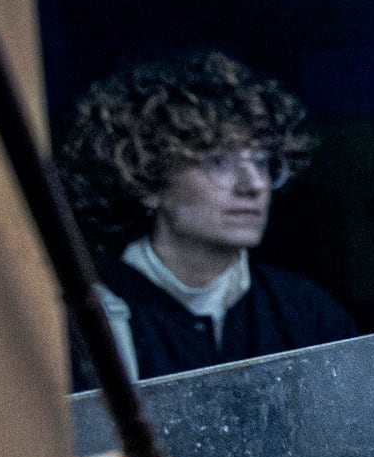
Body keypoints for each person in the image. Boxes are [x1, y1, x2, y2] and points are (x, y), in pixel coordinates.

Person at [55, 50, 356, 382]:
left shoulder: (307, 312)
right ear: (148, 180)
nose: (254, 184)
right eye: (218, 161)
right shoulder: (89, 322)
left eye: (261, 162)